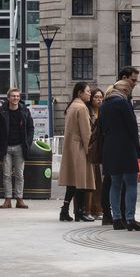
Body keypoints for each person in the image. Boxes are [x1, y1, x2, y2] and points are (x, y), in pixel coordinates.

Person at [99, 79, 140, 231]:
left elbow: (101, 127)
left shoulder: (104, 104)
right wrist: (137, 150)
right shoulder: (123, 103)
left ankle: (117, 219)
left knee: (115, 184)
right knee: (131, 184)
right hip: (125, 147)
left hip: (110, 148)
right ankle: (130, 219)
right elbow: (132, 127)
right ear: (126, 90)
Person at [58, 82, 96, 221]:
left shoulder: (71, 106)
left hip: (70, 147)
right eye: (87, 91)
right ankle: (79, 212)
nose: (89, 93)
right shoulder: (82, 108)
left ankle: (65, 210)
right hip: (79, 147)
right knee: (81, 181)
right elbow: (86, 132)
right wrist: (90, 150)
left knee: (73, 182)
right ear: (80, 92)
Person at [0, 88, 34, 209]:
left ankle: (19, 199)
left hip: (20, 146)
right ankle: (8, 200)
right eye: (13, 96)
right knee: (6, 175)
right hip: (5, 147)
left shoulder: (25, 111)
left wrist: (28, 143)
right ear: (8, 98)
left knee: (20, 174)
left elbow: (31, 128)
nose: (15, 98)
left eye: (17, 96)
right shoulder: (2, 111)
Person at [86, 88, 105, 219]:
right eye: (96, 97)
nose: (99, 100)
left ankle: (98, 208)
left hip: (101, 150)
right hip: (92, 150)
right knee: (94, 181)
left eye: (101, 97)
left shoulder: (103, 112)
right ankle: (92, 208)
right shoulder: (88, 112)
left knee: (99, 182)